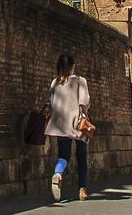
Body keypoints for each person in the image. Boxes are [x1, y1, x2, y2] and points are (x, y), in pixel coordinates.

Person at [44, 53, 91, 202]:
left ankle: (57, 174)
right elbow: (84, 102)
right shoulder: (80, 81)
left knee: (63, 156)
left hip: (60, 125)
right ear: (72, 67)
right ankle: (82, 189)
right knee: (81, 156)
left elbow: (50, 103)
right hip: (78, 124)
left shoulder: (55, 82)